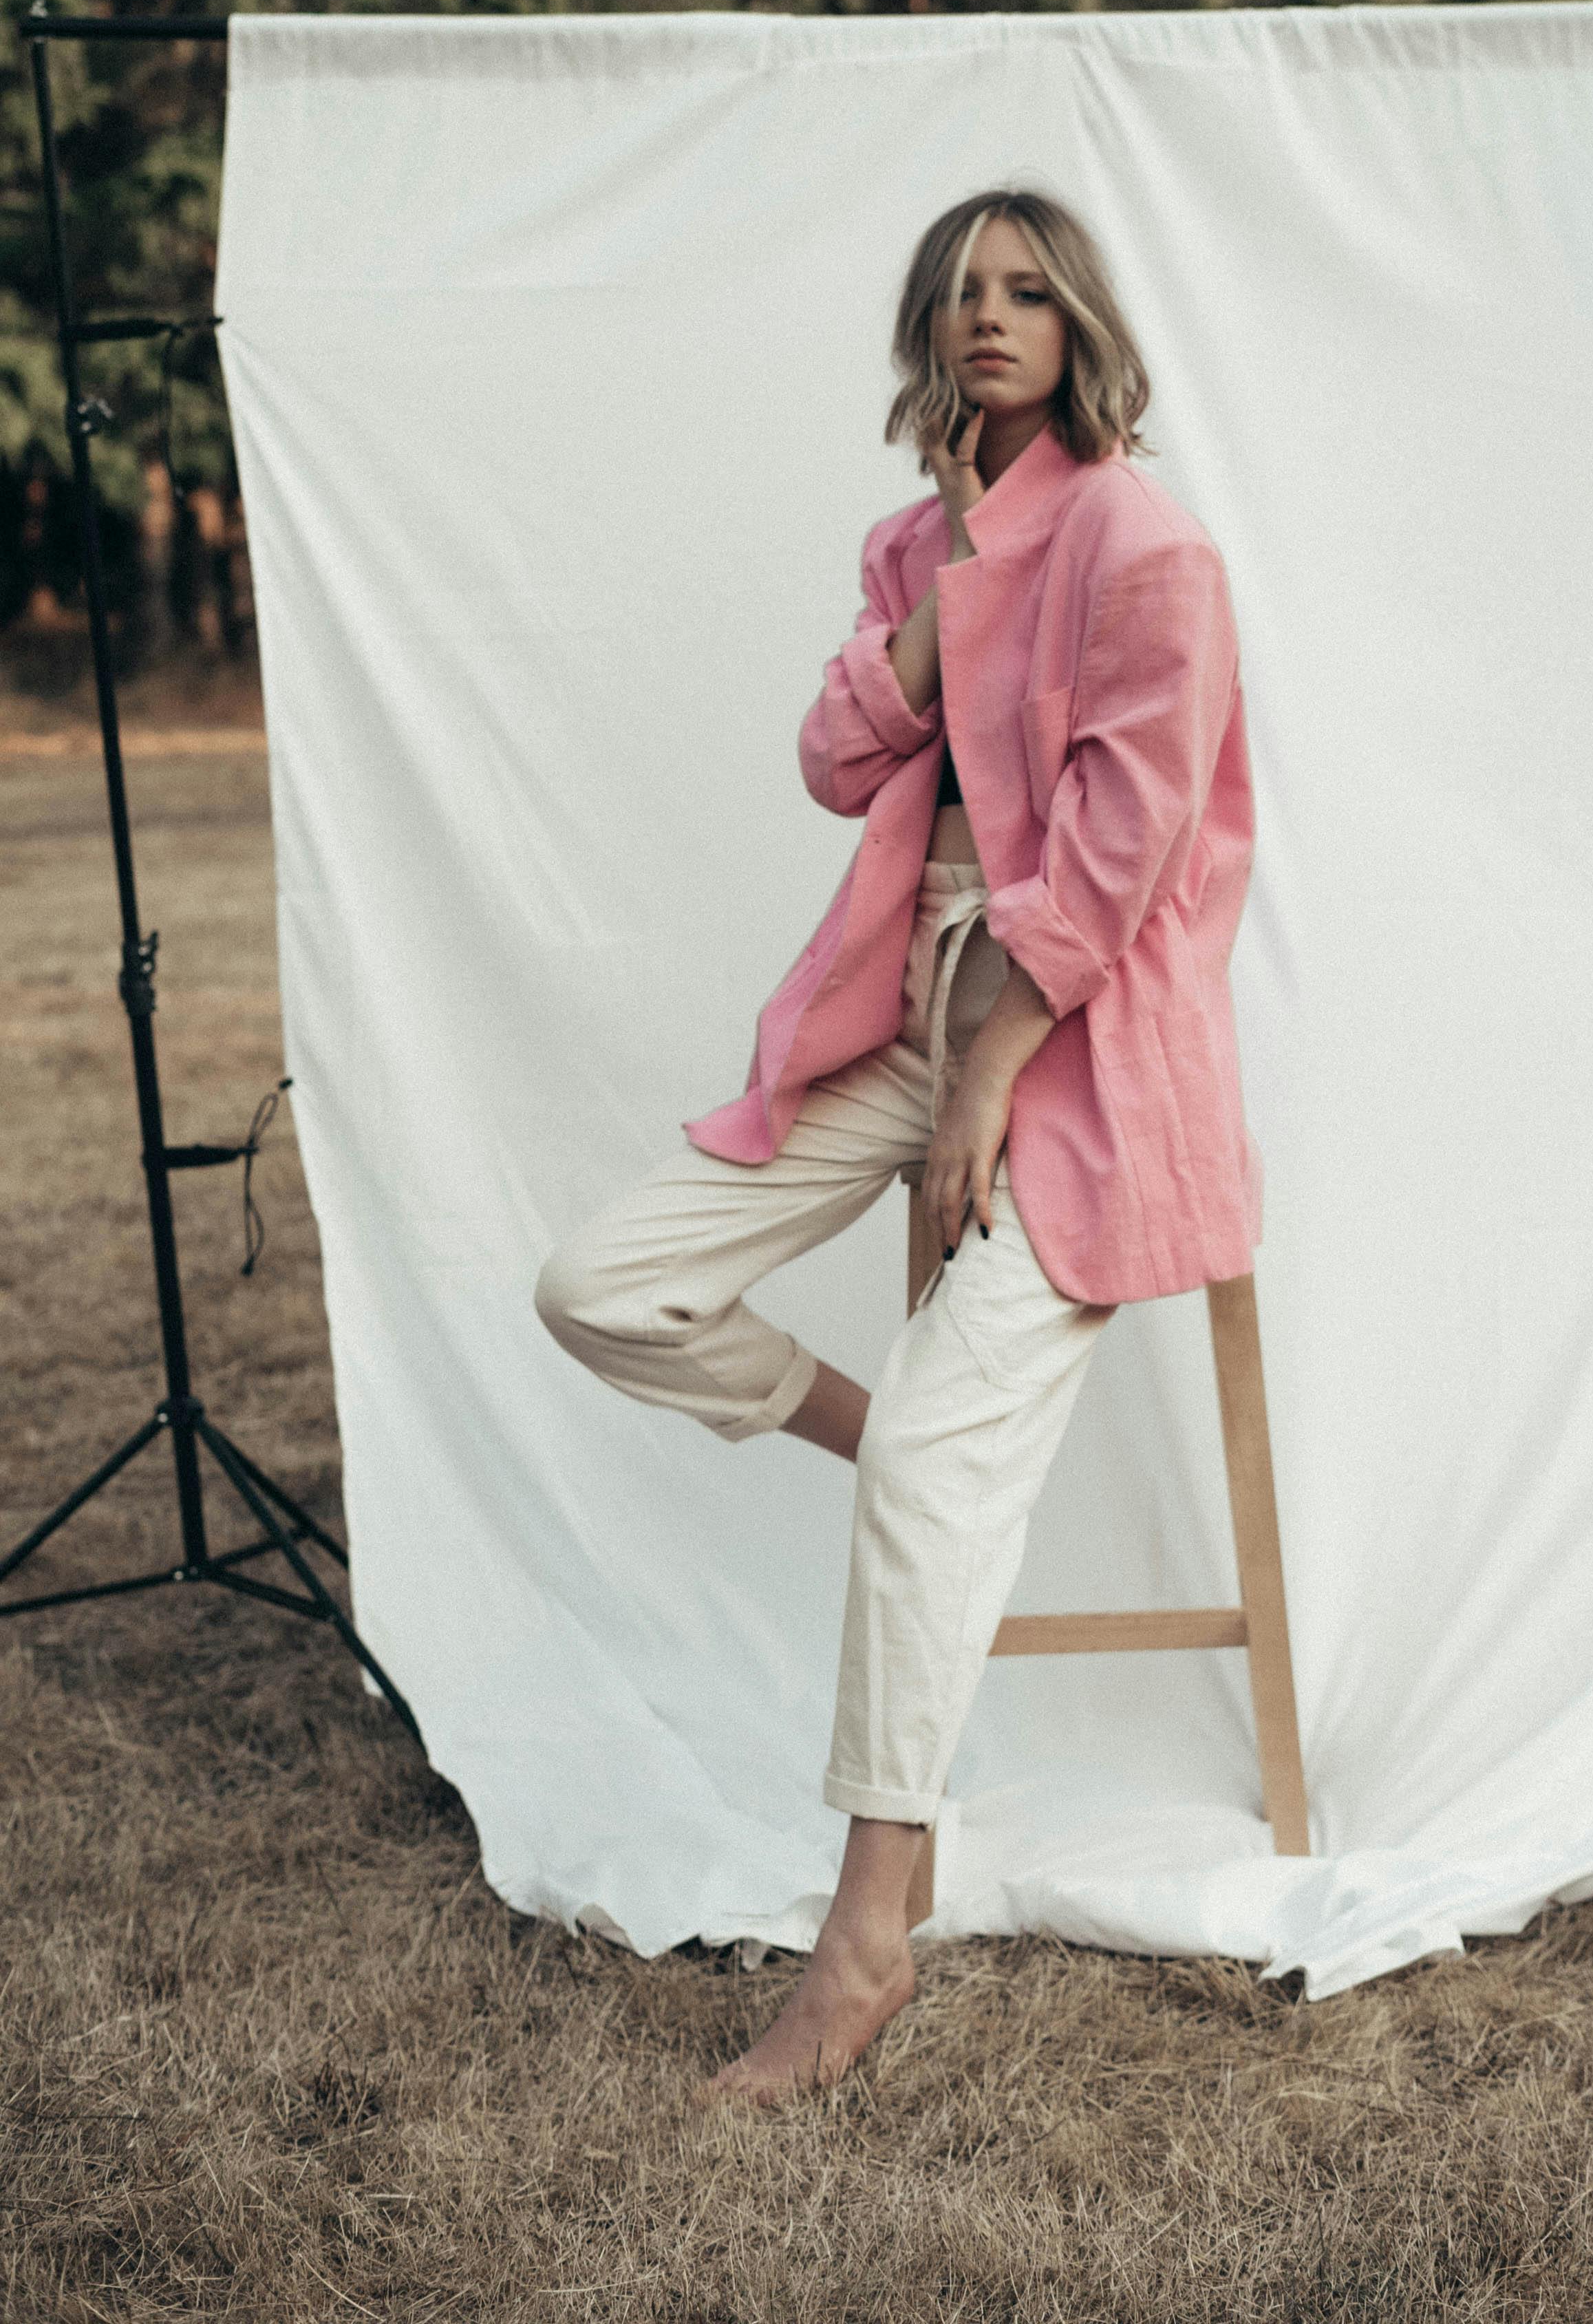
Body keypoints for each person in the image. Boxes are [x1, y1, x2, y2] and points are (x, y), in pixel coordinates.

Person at [533, 186, 1262, 2104]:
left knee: (948, 1467)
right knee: (602, 1285)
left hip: (1068, 1047)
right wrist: (939, 612)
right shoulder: (914, 549)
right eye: (959, 297)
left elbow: (1123, 851)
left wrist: (988, 1086)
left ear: (1080, 321)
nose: (989, 320)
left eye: (1026, 291)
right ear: (929, 340)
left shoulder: (1146, 541)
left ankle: (863, 1944)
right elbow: (835, 763)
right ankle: (888, 1441)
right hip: (895, 1015)